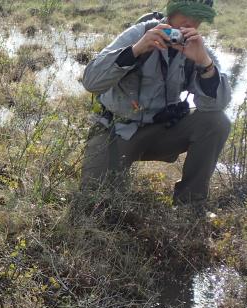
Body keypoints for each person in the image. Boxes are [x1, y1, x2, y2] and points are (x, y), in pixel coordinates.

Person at [80, 0, 232, 206]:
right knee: (93, 203)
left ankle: (190, 204)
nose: (190, 22)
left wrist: (205, 64)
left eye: (198, 18)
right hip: (117, 131)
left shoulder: (196, 48)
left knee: (217, 122)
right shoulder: (139, 33)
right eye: (185, 14)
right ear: (172, 11)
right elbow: (91, 81)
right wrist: (136, 50)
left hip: (162, 131)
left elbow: (217, 105)